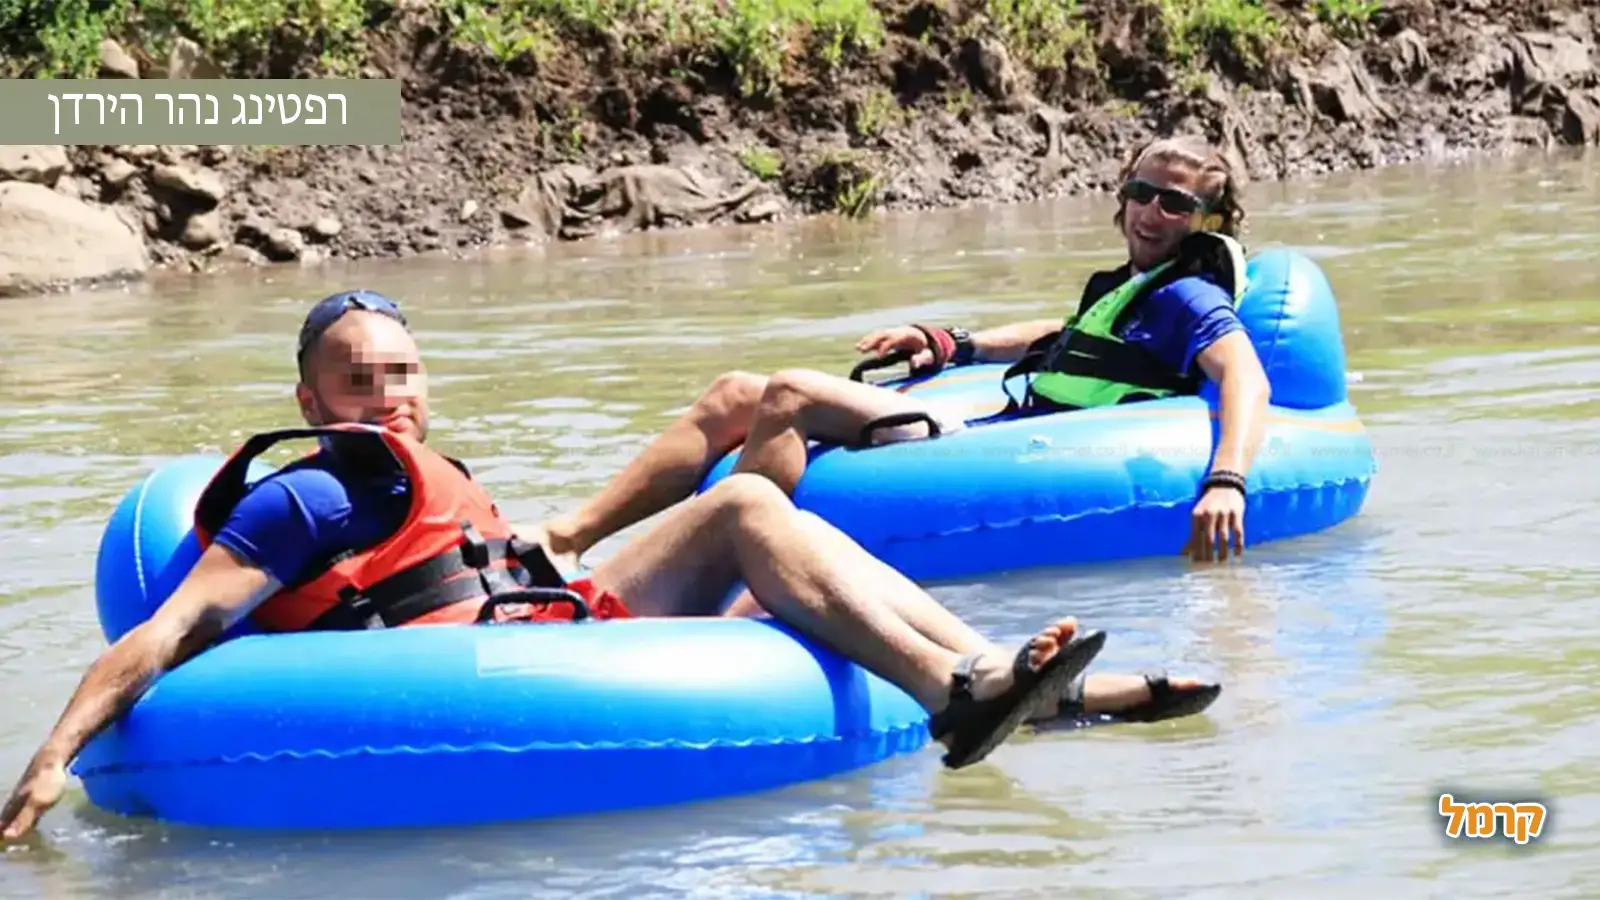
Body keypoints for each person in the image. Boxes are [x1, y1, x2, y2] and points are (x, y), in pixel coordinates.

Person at [0, 290, 1221, 842]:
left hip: (551, 624)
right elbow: (170, 635)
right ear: (311, 398)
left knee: (754, 514)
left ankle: (1009, 688)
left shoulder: (425, 472)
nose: (391, 394)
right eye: (361, 378)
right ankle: (974, 694)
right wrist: (51, 762)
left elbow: (465, 565)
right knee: (747, 502)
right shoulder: (308, 495)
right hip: (474, 677)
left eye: (404, 372)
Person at [535, 134, 1271, 570]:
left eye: (1175, 203)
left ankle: (697, 566)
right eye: (1144, 192)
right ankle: (568, 538)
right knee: (736, 390)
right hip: (992, 433)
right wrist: (955, 344)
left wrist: (1228, 479)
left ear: (1205, 221)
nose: (1152, 211)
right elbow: (1065, 339)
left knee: (791, 392)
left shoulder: (1187, 295)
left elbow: (1245, 375)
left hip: (1007, 452)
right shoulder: (1132, 287)